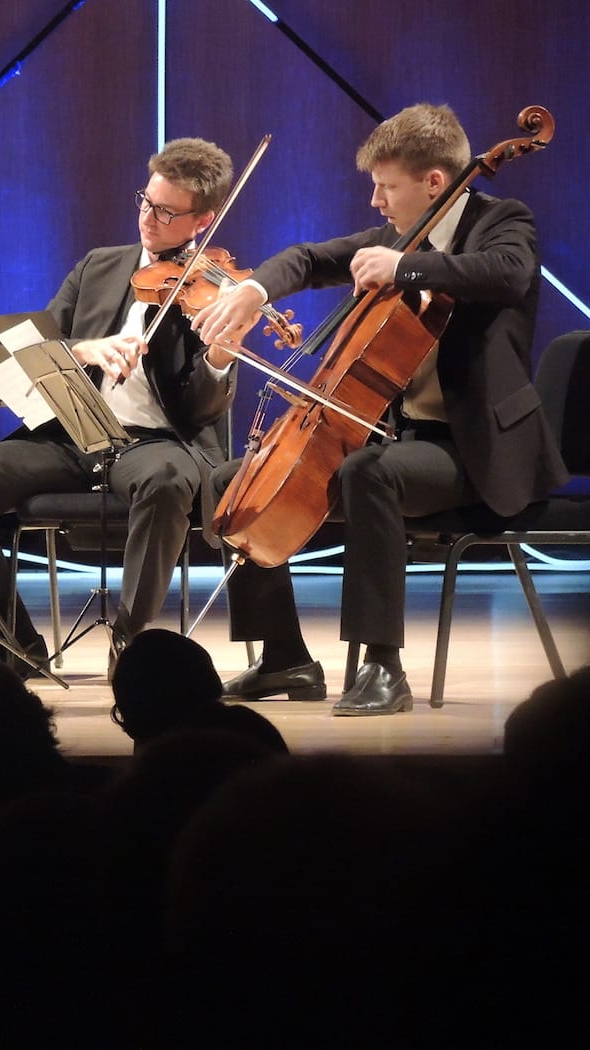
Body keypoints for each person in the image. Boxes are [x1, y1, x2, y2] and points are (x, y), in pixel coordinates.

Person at [193, 103, 567, 715]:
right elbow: (308, 259)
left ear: (434, 182)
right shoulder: (390, 239)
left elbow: (507, 274)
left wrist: (407, 266)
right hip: (403, 446)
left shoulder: (503, 223)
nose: (375, 202)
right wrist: (251, 290)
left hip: (474, 454)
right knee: (232, 481)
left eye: (386, 186)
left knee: (368, 471)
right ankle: (285, 656)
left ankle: (383, 667)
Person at [0, 138, 237, 674]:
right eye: (145, 201)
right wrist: (84, 349)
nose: (148, 219)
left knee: (164, 482)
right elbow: (34, 349)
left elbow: (203, 410)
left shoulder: (219, 289)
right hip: (72, 436)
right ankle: (17, 643)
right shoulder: (98, 267)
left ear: (201, 221)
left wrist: (221, 355)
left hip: (159, 443)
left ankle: (131, 645)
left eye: (166, 212)